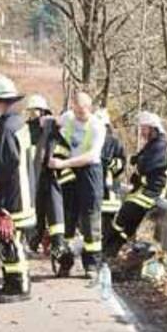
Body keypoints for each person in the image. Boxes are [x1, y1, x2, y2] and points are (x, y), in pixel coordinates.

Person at [0, 74, 35, 302]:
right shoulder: (19, 123)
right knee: (11, 240)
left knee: (11, 242)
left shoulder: (5, 128)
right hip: (24, 192)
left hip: (13, 196)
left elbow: (4, 168)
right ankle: (11, 284)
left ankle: (19, 287)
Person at [48, 91, 106, 279]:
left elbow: (91, 155)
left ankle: (91, 265)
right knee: (67, 219)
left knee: (90, 221)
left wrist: (63, 164)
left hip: (89, 171)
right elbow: (55, 124)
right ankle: (65, 262)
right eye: (76, 109)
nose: (79, 114)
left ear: (89, 108)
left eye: (83, 111)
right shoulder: (68, 118)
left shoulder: (97, 126)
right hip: (70, 174)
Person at [105, 111, 167, 257]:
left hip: (151, 193)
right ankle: (109, 251)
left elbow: (145, 167)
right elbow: (139, 163)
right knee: (125, 224)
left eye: (144, 128)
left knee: (124, 215)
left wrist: (138, 165)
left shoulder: (160, 146)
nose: (141, 131)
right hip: (142, 190)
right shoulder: (152, 145)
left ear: (153, 128)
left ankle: (108, 249)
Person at [23, 94, 73, 271]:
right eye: (30, 111)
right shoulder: (26, 129)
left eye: (35, 111)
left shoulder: (54, 130)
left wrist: (56, 162)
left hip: (51, 178)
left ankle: (59, 248)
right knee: (35, 214)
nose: (33, 115)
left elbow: (65, 150)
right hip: (34, 178)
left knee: (55, 214)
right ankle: (34, 240)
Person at [97, 108, 126, 243]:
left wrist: (108, 167)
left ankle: (105, 248)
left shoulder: (114, 143)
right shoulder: (90, 140)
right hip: (94, 189)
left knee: (107, 224)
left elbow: (121, 163)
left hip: (110, 192)